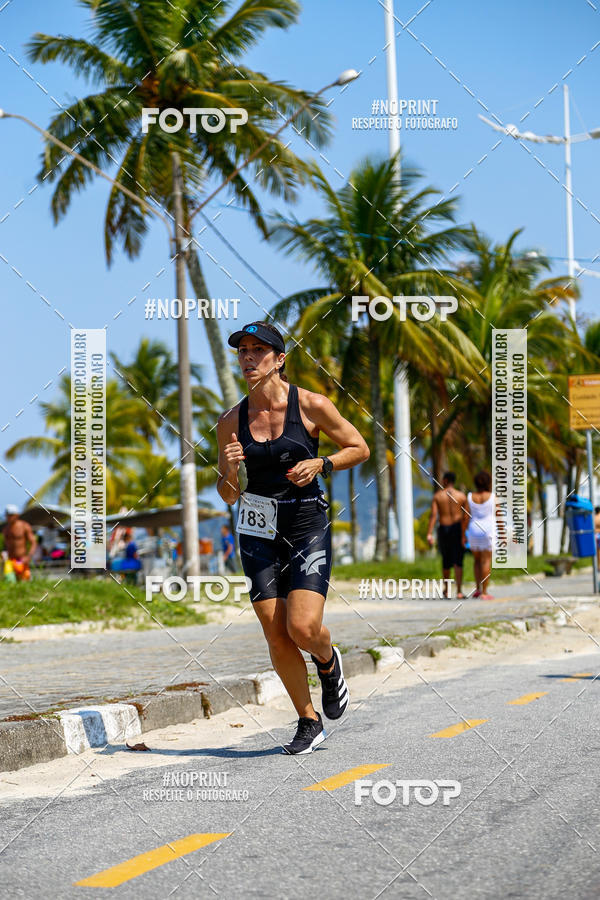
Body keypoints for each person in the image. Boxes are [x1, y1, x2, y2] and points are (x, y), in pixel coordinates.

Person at [217, 321, 370, 754]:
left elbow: (359, 447)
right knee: (275, 632)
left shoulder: (311, 405)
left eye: (257, 351)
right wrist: (230, 470)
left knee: (302, 627)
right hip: (257, 531)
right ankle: (308, 720)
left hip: (305, 524)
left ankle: (327, 659)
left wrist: (322, 464)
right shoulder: (231, 421)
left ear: (279, 359)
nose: (248, 358)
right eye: (242, 351)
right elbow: (229, 494)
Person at [426, 472, 467, 598]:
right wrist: (464, 534)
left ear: (445, 480)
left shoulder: (438, 496)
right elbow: (466, 517)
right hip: (457, 529)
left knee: (446, 560)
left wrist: (429, 533)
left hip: (444, 528)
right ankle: (459, 591)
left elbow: (434, 515)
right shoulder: (461, 496)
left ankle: (447, 590)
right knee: (458, 561)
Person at [462, 471, 497, 599]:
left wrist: (463, 535)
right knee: (486, 561)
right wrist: (503, 535)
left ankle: (477, 589)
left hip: (474, 530)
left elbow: (465, 517)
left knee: (476, 560)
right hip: (488, 530)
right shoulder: (493, 497)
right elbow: (499, 517)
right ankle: (485, 592)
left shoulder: (470, 496)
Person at [2, 505, 37, 582]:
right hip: (10, 560)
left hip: (21, 560)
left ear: (17, 515)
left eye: (11, 515)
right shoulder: (5, 529)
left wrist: (29, 557)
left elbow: (33, 543)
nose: (8, 517)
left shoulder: (24, 526)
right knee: (9, 580)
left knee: (24, 582)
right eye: (7, 515)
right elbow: (5, 545)